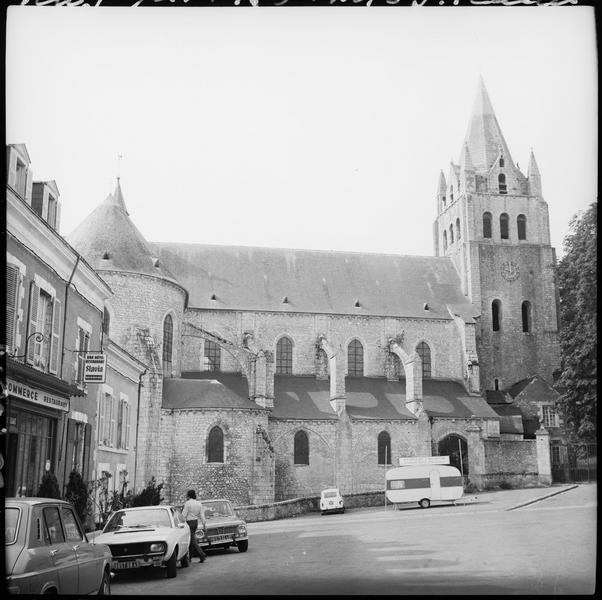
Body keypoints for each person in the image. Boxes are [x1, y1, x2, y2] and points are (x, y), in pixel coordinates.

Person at [182, 489, 207, 563]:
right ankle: (189, 558)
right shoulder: (199, 503)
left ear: (189, 496)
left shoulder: (187, 503)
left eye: (187, 495)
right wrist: (204, 524)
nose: (186, 496)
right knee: (191, 540)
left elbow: (183, 515)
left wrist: (181, 522)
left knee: (192, 541)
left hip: (189, 523)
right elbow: (202, 515)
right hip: (195, 522)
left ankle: (202, 554)